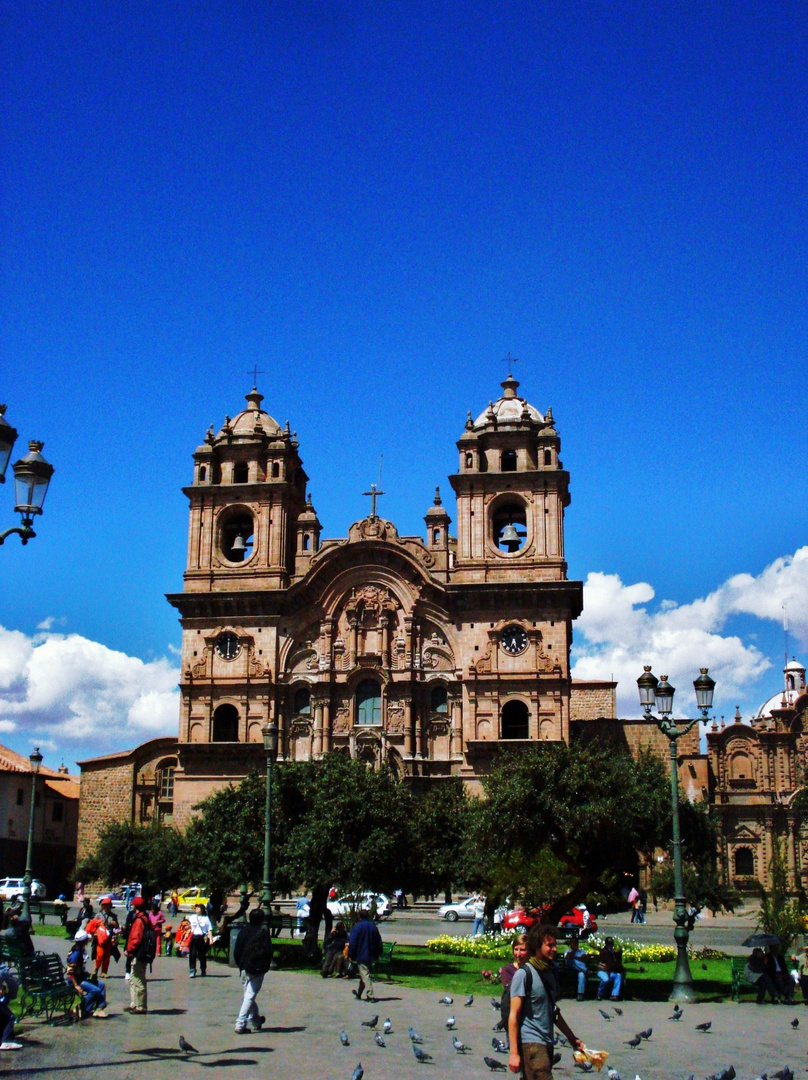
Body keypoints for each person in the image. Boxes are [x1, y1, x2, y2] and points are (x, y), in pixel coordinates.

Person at [508, 924, 584, 1079]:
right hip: (532, 1043)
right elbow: (513, 1016)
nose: (554, 949)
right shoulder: (524, 974)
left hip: (547, 1042)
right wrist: (514, 1053)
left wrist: (571, 1038)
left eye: (555, 945)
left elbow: (552, 1011)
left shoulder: (549, 973)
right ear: (537, 947)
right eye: (550, 945)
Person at [233, 908, 272, 1033]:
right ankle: (240, 1024)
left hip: (244, 968)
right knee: (249, 997)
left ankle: (256, 1021)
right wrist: (265, 967)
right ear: (261, 920)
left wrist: (241, 965)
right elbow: (268, 951)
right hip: (258, 969)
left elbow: (237, 950)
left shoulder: (243, 931)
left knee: (248, 996)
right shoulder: (263, 933)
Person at [66, 931, 108, 1019]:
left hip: (81, 977)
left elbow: (79, 969)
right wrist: (76, 986)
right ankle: (81, 1008)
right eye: (87, 940)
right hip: (75, 981)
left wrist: (88, 975)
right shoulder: (76, 954)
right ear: (84, 941)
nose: (88, 941)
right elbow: (70, 972)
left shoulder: (80, 951)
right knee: (95, 990)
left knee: (101, 985)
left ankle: (99, 1008)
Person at [348, 909, 382, 1003]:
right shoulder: (373, 927)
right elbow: (378, 940)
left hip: (362, 954)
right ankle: (359, 993)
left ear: (359, 916)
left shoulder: (357, 927)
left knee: (365, 974)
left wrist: (351, 954)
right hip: (371, 954)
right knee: (364, 973)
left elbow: (353, 942)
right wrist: (379, 952)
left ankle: (370, 995)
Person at [124, 896, 150, 1014]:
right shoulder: (143, 918)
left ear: (136, 907)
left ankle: (141, 1006)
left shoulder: (139, 920)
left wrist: (129, 950)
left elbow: (136, 938)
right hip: (139, 952)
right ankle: (134, 1003)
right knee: (133, 977)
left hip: (139, 953)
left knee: (138, 979)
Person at [499, 933, 527, 1038]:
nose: (518, 954)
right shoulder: (508, 970)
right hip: (513, 1020)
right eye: (516, 949)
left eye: (522, 950)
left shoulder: (534, 970)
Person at [90, 896, 121, 979]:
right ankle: (95, 970)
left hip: (109, 938)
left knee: (107, 955)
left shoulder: (113, 916)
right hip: (100, 938)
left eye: (108, 905)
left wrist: (115, 924)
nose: (106, 907)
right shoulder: (98, 915)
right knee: (99, 954)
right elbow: (93, 925)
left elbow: (117, 927)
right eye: (105, 905)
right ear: (102, 906)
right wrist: (95, 933)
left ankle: (104, 971)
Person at [0, 964, 21, 1050]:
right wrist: (11, 995)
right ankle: (6, 1041)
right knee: (10, 1017)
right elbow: (13, 985)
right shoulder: (2, 970)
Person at [188, 903, 213, 977]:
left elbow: (209, 929)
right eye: (196, 908)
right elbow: (187, 925)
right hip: (193, 937)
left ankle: (203, 969)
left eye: (198, 908)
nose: (196, 909)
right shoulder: (192, 917)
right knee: (192, 955)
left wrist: (211, 939)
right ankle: (192, 970)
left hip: (202, 938)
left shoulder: (206, 918)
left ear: (202, 910)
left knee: (202, 955)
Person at [563, 934, 589, 1001]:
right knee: (571, 961)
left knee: (581, 974)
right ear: (570, 943)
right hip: (570, 968)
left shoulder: (581, 951)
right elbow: (567, 957)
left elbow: (584, 959)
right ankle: (585, 970)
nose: (574, 944)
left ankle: (580, 994)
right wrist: (574, 953)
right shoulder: (567, 951)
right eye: (573, 942)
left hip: (579, 970)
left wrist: (574, 957)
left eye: (575, 942)